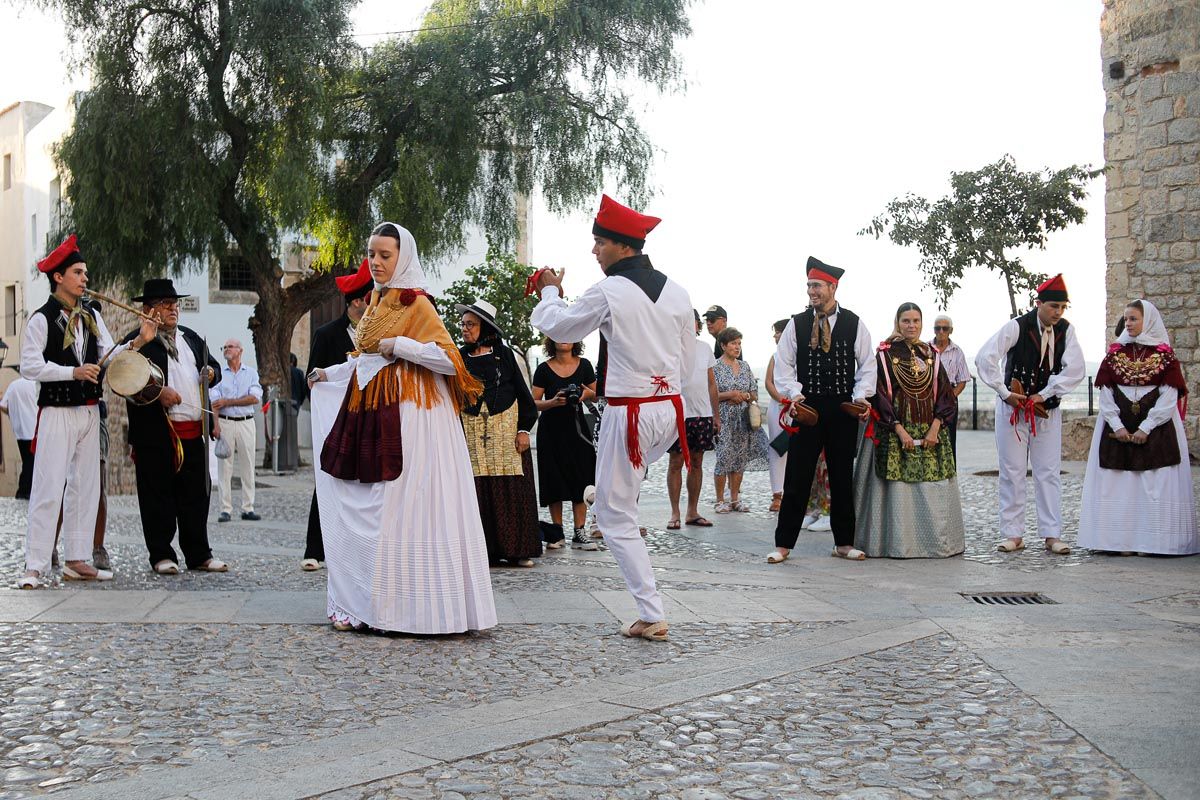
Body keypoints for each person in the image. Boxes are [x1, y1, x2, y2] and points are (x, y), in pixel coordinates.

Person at [309, 221, 495, 634]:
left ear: (402, 257)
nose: (375, 262)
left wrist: (403, 346)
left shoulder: (418, 304)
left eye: (384, 255)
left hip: (415, 420)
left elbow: (452, 362)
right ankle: (368, 603)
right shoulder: (377, 304)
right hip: (374, 415)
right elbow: (367, 359)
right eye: (371, 254)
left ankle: (413, 608)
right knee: (374, 504)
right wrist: (331, 374)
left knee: (402, 508)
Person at [531, 194, 693, 641]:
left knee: (614, 513)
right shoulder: (678, 291)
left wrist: (549, 290)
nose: (593, 251)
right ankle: (605, 486)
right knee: (618, 492)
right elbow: (687, 359)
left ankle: (651, 611)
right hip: (667, 410)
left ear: (623, 246)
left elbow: (560, 328)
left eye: (599, 242)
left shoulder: (610, 291)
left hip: (631, 415)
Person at [16, 235, 125, 588]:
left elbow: (109, 351)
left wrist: (138, 341)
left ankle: (77, 558)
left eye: (85, 272)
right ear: (59, 277)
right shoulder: (41, 318)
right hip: (57, 410)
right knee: (48, 485)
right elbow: (30, 367)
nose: (85, 278)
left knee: (86, 487)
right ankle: (35, 564)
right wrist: (72, 372)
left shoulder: (92, 314)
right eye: (78, 272)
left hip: (89, 411)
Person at [768, 257, 875, 564]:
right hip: (807, 408)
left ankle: (844, 543)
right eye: (809, 286)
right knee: (797, 477)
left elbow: (867, 365)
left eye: (816, 286)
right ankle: (783, 544)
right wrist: (795, 395)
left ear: (832, 286)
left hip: (842, 408)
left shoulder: (854, 322)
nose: (811, 292)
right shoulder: (796, 324)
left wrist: (860, 397)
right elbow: (784, 365)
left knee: (842, 476)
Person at [119, 278, 228, 575]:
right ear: (149, 309)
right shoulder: (136, 342)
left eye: (175, 304)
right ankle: (162, 554)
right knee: (158, 496)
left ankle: (199, 553)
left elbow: (215, 366)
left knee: (196, 496)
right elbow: (120, 375)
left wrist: (211, 373)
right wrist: (159, 393)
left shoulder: (191, 338)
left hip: (192, 431)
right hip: (156, 435)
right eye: (166, 304)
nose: (173, 309)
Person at [975, 274, 1085, 555]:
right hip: (1012, 410)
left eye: (1062, 307)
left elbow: (1075, 369)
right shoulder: (1016, 327)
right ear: (1038, 303)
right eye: (1053, 306)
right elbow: (985, 357)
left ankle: (1052, 534)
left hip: (1046, 411)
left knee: (1048, 472)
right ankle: (1013, 534)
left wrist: (1046, 393)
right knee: (1012, 470)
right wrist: (1003, 391)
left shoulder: (1067, 331)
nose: (1058, 312)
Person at [1079, 300, 1197, 555]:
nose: (1128, 324)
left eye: (1134, 319)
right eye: (1127, 319)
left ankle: (1154, 542)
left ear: (1148, 321)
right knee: (1119, 482)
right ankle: (1118, 542)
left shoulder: (1165, 358)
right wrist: (1117, 425)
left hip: (1158, 427)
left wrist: (1147, 426)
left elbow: (1169, 396)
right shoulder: (1114, 356)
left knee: (1156, 479)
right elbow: (1106, 393)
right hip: (1117, 427)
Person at [854, 302, 964, 558]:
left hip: (929, 428)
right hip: (893, 428)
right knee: (897, 490)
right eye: (906, 321)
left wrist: (936, 427)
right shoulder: (884, 354)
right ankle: (897, 544)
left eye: (916, 321)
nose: (911, 326)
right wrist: (899, 429)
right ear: (897, 322)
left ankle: (934, 544)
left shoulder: (932, 354)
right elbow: (878, 394)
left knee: (931, 485)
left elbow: (946, 394)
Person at [457, 298, 543, 568]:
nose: (465, 329)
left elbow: (523, 395)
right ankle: (485, 552)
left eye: (470, 324)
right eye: (463, 324)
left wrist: (523, 430)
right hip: (472, 432)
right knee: (477, 490)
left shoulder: (505, 356)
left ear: (485, 328)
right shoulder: (459, 357)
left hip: (506, 433)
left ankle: (518, 550)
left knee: (511, 489)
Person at [301, 259, 372, 571]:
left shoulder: (376, 333)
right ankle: (314, 549)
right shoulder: (327, 334)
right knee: (328, 481)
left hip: (370, 419)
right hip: (338, 422)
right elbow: (311, 379)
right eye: (371, 298)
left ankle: (356, 548)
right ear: (356, 301)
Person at [532, 336, 599, 547]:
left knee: (581, 478)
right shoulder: (543, 369)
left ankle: (579, 531)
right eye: (558, 335)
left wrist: (584, 394)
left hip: (577, 429)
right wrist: (552, 402)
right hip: (550, 431)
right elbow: (533, 402)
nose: (564, 339)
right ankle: (557, 531)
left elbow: (596, 395)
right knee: (553, 479)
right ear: (551, 341)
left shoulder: (584, 365)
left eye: (568, 335)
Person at [664, 310, 719, 529]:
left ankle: (692, 511)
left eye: (694, 322)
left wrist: (716, 415)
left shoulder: (705, 348)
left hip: (702, 413)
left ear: (697, 325)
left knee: (697, 462)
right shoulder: (669, 347)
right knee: (675, 462)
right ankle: (675, 512)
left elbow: (711, 383)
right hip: (677, 413)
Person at [712, 327, 769, 512]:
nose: (737, 347)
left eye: (739, 343)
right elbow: (710, 394)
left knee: (739, 459)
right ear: (723, 345)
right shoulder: (714, 368)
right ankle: (720, 500)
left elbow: (754, 393)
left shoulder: (745, 367)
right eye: (733, 343)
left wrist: (743, 396)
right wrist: (730, 394)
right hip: (724, 417)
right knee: (723, 457)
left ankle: (735, 498)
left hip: (743, 419)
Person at [210, 338, 262, 522]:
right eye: (224, 347)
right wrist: (215, 424)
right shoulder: (218, 374)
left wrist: (228, 401)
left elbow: (254, 398)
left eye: (229, 347)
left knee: (248, 464)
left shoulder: (251, 373)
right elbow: (215, 402)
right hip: (225, 423)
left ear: (240, 350)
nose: (226, 350)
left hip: (246, 422)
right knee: (225, 467)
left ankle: (248, 507)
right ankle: (225, 509)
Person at [929, 314, 970, 457]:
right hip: (928, 398)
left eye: (944, 328)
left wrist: (950, 397)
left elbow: (963, 379)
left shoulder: (957, 352)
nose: (941, 331)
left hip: (950, 397)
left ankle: (951, 474)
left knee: (949, 437)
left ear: (950, 330)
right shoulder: (925, 348)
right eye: (937, 328)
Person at [0, 373, 38, 499]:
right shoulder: (36, 384)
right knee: (32, 462)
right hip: (34, 429)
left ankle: (26, 491)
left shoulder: (13, 385)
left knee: (27, 460)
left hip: (20, 430)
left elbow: (3, 405)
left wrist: (14, 414)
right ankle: (23, 491)